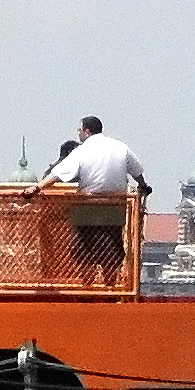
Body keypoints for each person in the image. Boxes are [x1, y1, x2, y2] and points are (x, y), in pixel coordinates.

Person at [42, 115, 151, 274]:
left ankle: (88, 283)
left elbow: (58, 174)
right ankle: (111, 282)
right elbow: (137, 172)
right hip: (116, 205)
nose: (78, 134)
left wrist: (37, 188)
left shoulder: (82, 150)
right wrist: (143, 186)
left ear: (86, 131)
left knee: (83, 247)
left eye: (79, 130)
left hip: (88, 205)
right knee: (113, 246)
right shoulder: (120, 147)